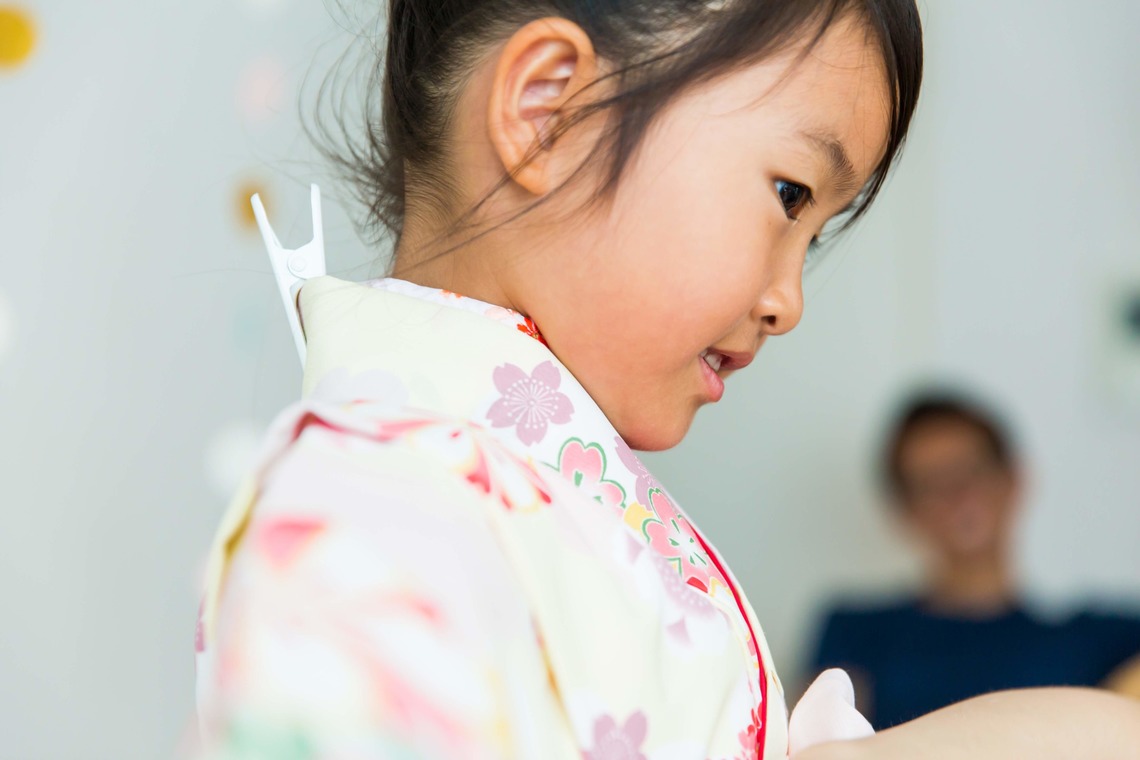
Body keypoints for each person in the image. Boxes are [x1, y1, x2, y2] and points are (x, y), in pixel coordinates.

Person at [193, 2, 1140, 758]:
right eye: (789, 196)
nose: (788, 300)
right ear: (549, 112)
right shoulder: (374, 511)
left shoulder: (528, 496)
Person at [809, 391, 1140, 729]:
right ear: (904, 510)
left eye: (970, 470)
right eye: (930, 482)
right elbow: (823, 747)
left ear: (1014, 479)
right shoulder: (855, 631)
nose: (957, 494)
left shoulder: (1099, 640)